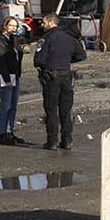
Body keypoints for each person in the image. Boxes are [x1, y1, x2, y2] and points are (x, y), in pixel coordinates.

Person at [32, 13, 84, 152]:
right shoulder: (69, 38)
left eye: (43, 22)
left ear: (50, 22)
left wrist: (51, 64)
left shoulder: (46, 38)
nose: (42, 25)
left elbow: (38, 60)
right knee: (66, 110)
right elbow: (81, 55)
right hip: (66, 76)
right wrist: (66, 61)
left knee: (51, 109)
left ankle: (52, 141)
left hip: (51, 77)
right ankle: (67, 140)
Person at [0, 10, 29, 146]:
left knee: (13, 105)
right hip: (6, 75)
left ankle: (9, 131)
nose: (14, 28)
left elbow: (23, 44)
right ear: (5, 26)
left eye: (15, 26)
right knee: (5, 104)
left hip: (15, 74)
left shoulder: (12, 38)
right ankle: (1, 133)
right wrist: (6, 78)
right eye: (11, 25)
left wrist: (27, 31)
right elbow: (1, 61)